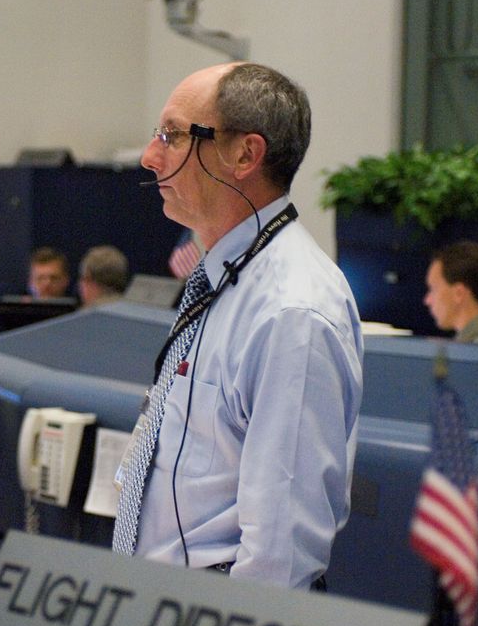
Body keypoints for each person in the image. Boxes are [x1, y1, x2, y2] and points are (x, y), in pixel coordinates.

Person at [112, 62, 364, 590]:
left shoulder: (291, 311)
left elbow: (280, 557)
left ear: (245, 154)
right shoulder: (228, 275)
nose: (149, 156)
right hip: (158, 605)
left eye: (172, 136)